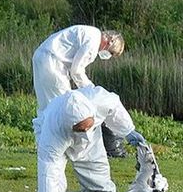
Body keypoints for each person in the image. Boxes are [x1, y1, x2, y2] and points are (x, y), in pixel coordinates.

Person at [34, 86, 146, 192]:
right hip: (61, 142)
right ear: (71, 125)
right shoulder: (51, 134)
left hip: (93, 143)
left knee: (100, 186)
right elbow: (47, 176)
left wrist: (127, 130)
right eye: (80, 129)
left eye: (88, 126)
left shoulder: (98, 99)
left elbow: (114, 106)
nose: (84, 134)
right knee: (55, 187)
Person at [32, 25, 127, 156]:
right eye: (111, 53)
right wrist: (91, 90)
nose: (108, 56)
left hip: (42, 57)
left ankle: (43, 144)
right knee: (61, 107)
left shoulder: (90, 32)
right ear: (109, 41)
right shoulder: (93, 43)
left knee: (46, 106)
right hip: (53, 64)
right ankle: (53, 147)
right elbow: (76, 71)